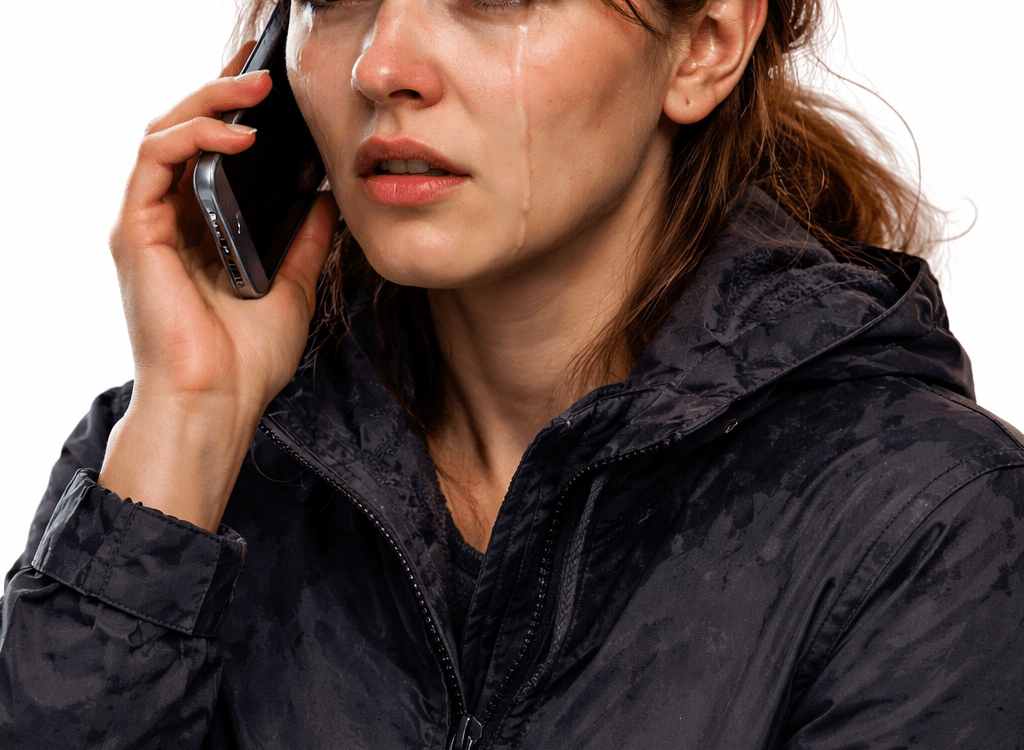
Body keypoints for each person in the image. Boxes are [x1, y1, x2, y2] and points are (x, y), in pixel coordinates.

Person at [1, 0, 1021, 746]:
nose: (382, 66)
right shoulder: (164, 469)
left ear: (706, 43)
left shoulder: (932, 526)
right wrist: (192, 419)